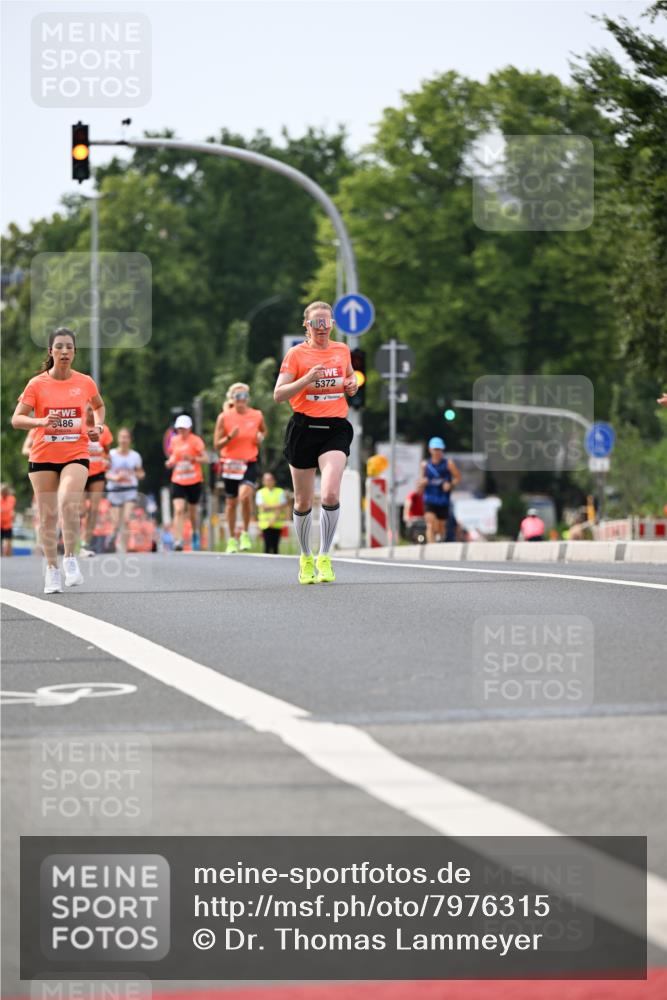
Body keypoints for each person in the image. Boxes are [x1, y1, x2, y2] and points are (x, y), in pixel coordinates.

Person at [11, 328, 105, 593]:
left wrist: (98, 425)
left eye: (69, 347)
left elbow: (99, 406)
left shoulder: (85, 382)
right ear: (51, 351)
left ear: (75, 352)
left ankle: (71, 559)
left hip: (76, 452)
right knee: (47, 517)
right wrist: (40, 421)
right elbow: (17, 419)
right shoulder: (37, 384)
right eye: (59, 347)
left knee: (68, 501)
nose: (64, 352)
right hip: (43, 456)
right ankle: (52, 570)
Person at [273, 300, 358, 584]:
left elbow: (348, 379)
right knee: (303, 500)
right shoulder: (296, 355)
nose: (321, 328)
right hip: (303, 429)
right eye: (316, 323)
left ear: (333, 324)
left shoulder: (342, 349)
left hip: (335, 429)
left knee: (331, 493)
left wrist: (352, 384)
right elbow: (279, 394)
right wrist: (306, 379)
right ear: (306, 325)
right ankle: (305, 556)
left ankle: (324, 555)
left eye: (326, 323)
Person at [213, 382, 266, 553]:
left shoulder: (256, 415)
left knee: (244, 497)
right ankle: (231, 539)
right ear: (232, 399)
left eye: (244, 396)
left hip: (249, 462)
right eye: (238, 397)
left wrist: (260, 437)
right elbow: (216, 445)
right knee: (230, 503)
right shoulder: (224, 417)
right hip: (230, 464)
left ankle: (244, 532)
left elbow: (264, 431)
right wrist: (229, 437)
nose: (241, 400)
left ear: (248, 399)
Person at [165, 414, 208, 551]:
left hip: (194, 480)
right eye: (179, 428)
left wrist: (193, 458)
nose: (181, 431)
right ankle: (178, 540)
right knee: (178, 510)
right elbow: (174, 456)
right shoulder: (174, 440)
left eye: (184, 428)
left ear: (190, 428)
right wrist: (170, 462)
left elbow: (206, 458)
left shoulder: (196, 441)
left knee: (192, 512)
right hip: (178, 479)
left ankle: (195, 533)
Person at [80, 405, 113, 558]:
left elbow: (106, 451)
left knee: (94, 509)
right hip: (80, 470)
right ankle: (74, 538)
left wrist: (107, 461)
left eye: (94, 411)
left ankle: (85, 543)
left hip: (98, 472)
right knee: (81, 511)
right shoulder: (78, 425)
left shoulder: (103, 430)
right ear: (84, 411)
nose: (91, 414)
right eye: (88, 410)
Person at [106, 428, 145, 553]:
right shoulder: (111, 454)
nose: (123, 440)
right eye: (121, 437)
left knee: (127, 519)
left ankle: (123, 548)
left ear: (130, 439)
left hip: (130, 490)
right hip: (115, 490)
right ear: (118, 439)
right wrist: (115, 477)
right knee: (117, 522)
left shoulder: (135, 456)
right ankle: (113, 537)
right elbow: (105, 473)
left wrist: (139, 475)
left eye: (126, 437)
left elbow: (140, 472)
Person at [419, 437, 461, 544]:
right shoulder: (425, 465)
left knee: (441, 526)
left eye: (439, 449)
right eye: (435, 449)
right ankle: (431, 547)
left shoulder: (448, 464)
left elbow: (457, 478)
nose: (437, 452)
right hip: (429, 498)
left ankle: (440, 539)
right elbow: (420, 482)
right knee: (430, 523)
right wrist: (422, 483)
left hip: (443, 499)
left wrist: (450, 484)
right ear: (430, 450)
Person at [256, 472, 287, 554]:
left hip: (277, 523)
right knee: (267, 546)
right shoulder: (260, 492)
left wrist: (269, 508)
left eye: (270, 479)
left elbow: (282, 505)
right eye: (266, 480)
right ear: (263, 481)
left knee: (275, 546)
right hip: (265, 524)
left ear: (274, 481)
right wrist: (276, 506)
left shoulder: (280, 491)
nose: (269, 481)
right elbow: (262, 506)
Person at [1, 484, 16, 556]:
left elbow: (9, 508)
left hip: (7, 524)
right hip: (1, 523)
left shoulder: (11, 498)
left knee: (8, 541)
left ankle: (8, 555)